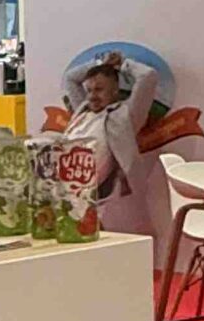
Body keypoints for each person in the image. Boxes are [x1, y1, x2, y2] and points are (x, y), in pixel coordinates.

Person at [62, 48, 161, 204]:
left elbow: (148, 76)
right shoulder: (83, 108)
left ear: (115, 91)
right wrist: (101, 64)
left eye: (99, 89)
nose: (92, 96)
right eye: (89, 90)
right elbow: (70, 78)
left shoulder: (126, 115)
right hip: (61, 183)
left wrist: (123, 64)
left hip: (97, 194)